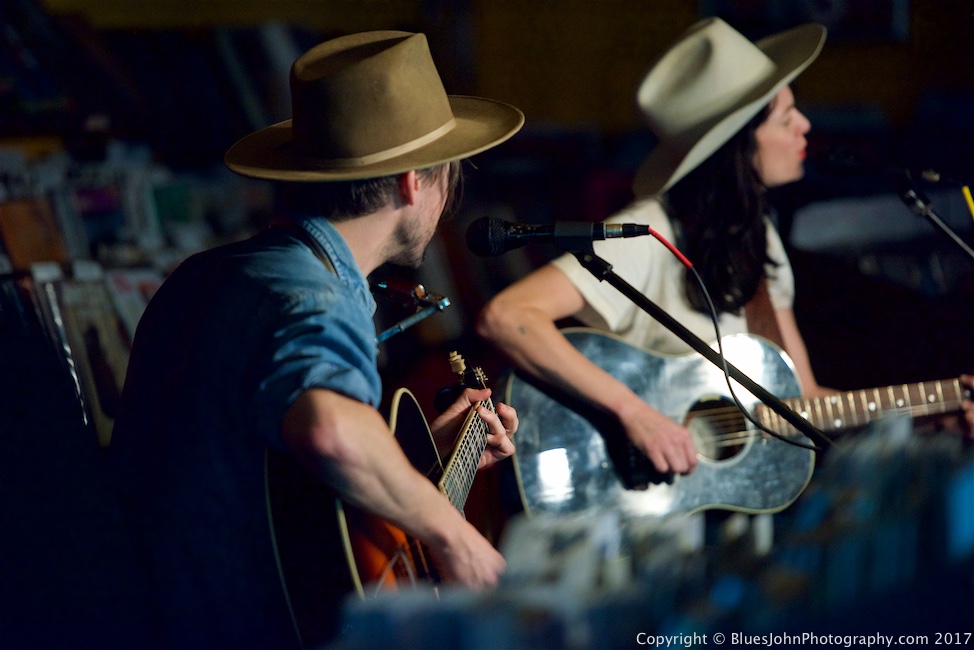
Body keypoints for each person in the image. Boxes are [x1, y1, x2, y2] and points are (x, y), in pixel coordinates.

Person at [109, 31, 522, 649]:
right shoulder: (315, 299)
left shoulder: (209, 274)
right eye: (450, 177)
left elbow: (267, 486)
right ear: (413, 182)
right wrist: (453, 534)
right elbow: (327, 429)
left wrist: (415, 466)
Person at [476, 17, 974, 482]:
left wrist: (932, 420)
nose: (805, 125)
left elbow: (801, 404)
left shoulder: (759, 238)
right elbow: (507, 315)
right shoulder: (649, 231)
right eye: (785, 117)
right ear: (739, 143)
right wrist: (637, 415)